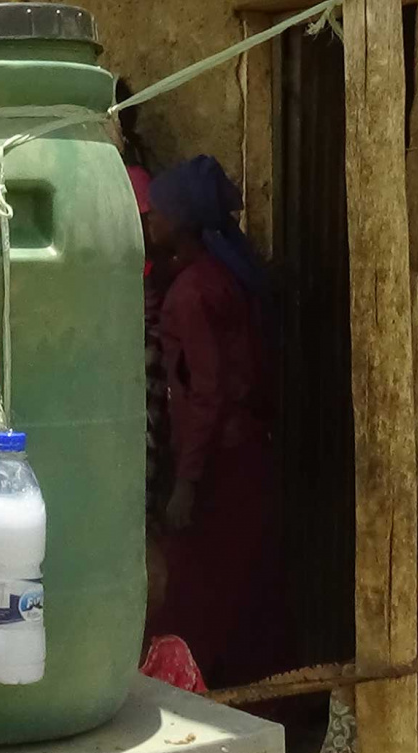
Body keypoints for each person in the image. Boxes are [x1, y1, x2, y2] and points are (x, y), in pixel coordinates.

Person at [143, 156, 280, 685]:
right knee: (246, 583)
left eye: (156, 215)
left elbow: (206, 392)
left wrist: (187, 482)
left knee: (200, 588)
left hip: (221, 463)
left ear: (181, 221)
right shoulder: (225, 278)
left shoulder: (192, 294)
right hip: (245, 452)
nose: (149, 224)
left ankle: (195, 696)